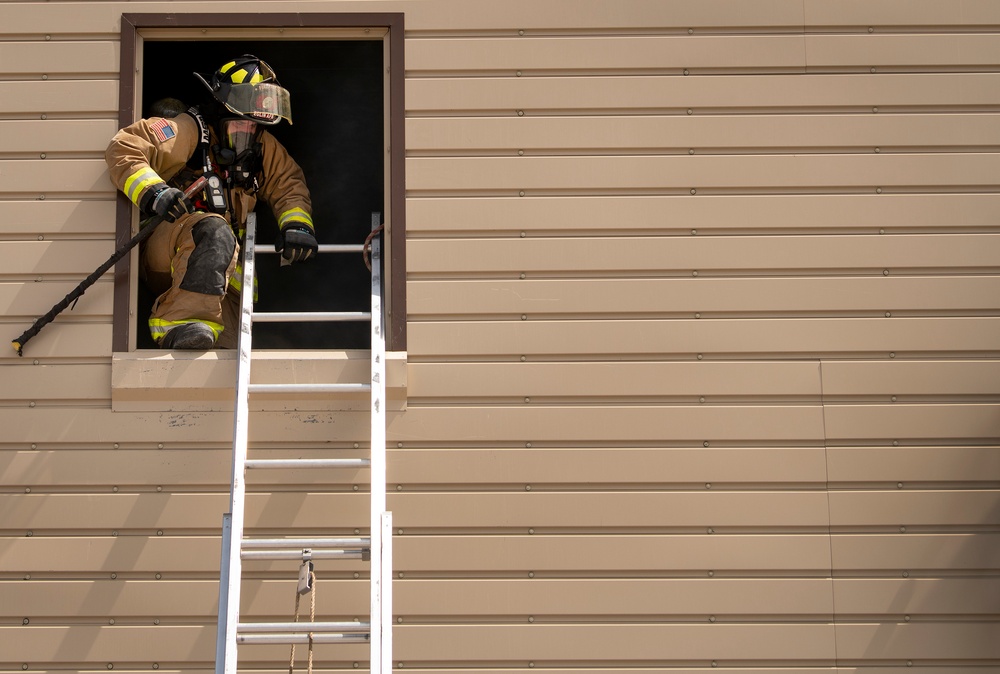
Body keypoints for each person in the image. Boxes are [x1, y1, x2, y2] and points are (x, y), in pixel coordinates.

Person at [105, 55, 317, 349]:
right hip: (167, 248)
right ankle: (178, 322)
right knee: (214, 230)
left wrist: (297, 224)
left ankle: (196, 334)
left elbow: (288, 183)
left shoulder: (261, 145)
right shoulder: (188, 131)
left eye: (253, 128)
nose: (247, 136)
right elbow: (125, 148)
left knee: (224, 357)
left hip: (222, 277)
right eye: (239, 127)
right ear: (219, 112)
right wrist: (155, 192)